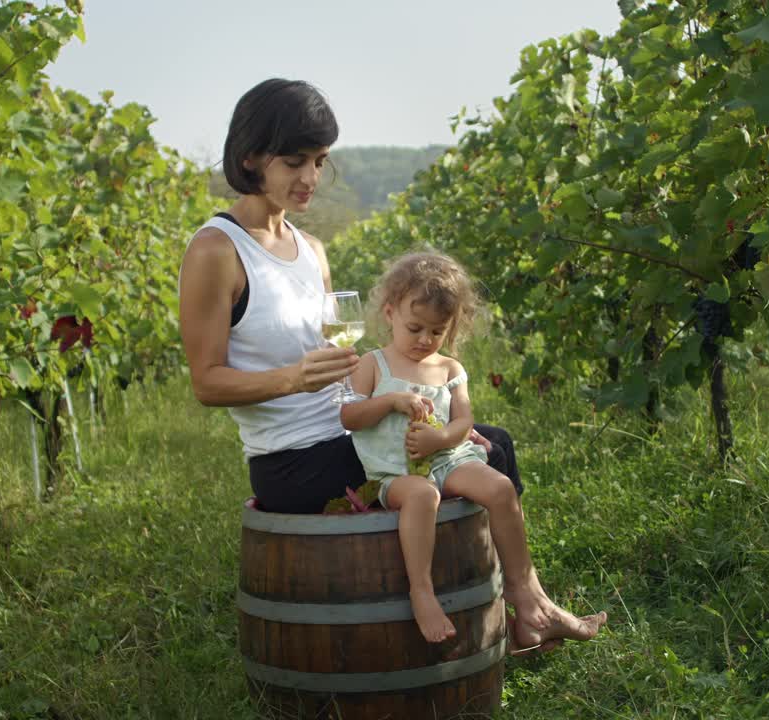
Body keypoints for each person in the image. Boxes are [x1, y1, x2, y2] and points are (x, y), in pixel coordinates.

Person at [176, 78, 567, 651]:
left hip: (348, 432)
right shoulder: (216, 250)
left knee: (489, 442)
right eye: (295, 162)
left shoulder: (312, 251)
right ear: (250, 158)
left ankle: (520, 606)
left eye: (320, 161)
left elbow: (344, 371)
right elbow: (206, 383)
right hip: (294, 461)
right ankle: (521, 611)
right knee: (485, 450)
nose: (311, 178)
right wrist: (291, 378)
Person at [339, 251, 605, 648]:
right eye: (415, 328)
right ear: (390, 312)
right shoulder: (372, 364)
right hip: (396, 472)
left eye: (437, 331)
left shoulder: (449, 369)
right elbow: (350, 416)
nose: (425, 340)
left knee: (499, 488)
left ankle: (524, 595)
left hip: (447, 458)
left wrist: (440, 438)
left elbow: (463, 422)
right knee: (423, 494)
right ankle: (422, 591)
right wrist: (390, 402)